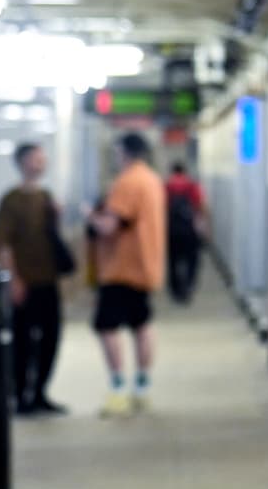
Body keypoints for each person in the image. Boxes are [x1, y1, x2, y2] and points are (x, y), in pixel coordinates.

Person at [86, 133, 166, 418]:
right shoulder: (152, 180)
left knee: (107, 327)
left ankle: (118, 388)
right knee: (141, 324)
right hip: (145, 266)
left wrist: (90, 217)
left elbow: (110, 226)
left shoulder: (127, 182)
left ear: (126, 153)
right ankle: (142, 387)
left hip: (121, 268)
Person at [0, 143, 67, 415]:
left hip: (48, 280)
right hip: (24, 282)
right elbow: (3, 244)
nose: (41, 163)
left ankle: (39, 393)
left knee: (50, 338)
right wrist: (14, 280)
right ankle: (21, 395)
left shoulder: (46, 197)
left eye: (42, 158)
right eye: (36, 158)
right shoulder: (11, 200)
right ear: (23, 162)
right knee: (23, 341)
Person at [165, 162, 206, 303]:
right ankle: (188, 287)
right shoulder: (192, 186)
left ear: (172, 171)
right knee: (191, 261)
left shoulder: (166, 186)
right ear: (185, 171)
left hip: (171, 230)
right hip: (190, 230)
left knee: (172, 261)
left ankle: (175, 291)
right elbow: (200, 208)